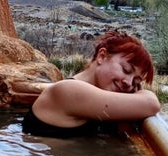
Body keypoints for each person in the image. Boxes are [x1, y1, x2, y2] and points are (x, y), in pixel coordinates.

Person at [23, 31, 160, 138]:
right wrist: (142, 94)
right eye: (126, 70)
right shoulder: (68, 91)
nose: (128, 83)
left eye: (136, 82)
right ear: (102, 56)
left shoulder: (90, 98)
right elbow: (151, 103)